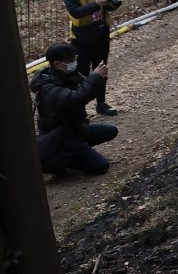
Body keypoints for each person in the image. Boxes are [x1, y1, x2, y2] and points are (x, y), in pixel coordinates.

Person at [32, 43, 117, 176]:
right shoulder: (48, 88)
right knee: (101, 166)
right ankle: (65, 160)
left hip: (75, 129)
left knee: (111, 131)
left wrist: (98, 78)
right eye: (71, 60)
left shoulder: (67, 75)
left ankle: (77, 152)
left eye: (75, 58)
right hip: (60, 137)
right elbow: (76, 99)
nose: (75, 62)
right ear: (58, 64)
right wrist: (94, 78)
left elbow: (87, 91)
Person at [62, 0, 120, 116]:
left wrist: (112, 3)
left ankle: (101, 103)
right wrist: (95, 4)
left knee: (101, 69)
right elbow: (75, 12)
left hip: (101, 33)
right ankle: (80, 109)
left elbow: (108, 5)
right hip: (81, 37)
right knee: (81, 73)